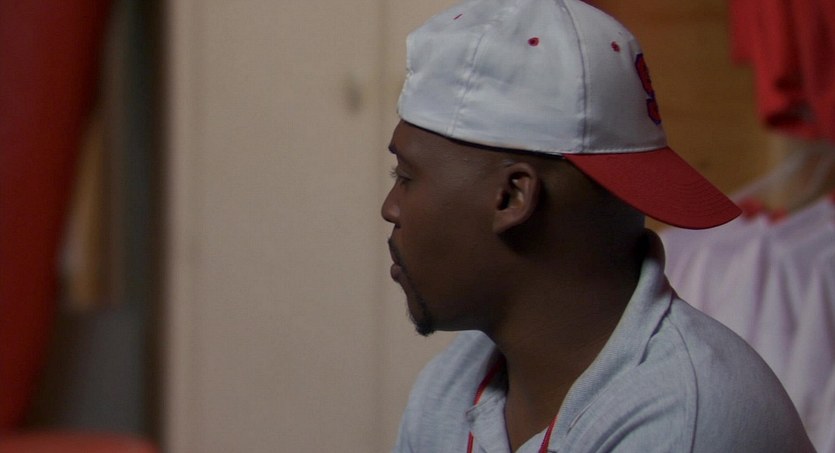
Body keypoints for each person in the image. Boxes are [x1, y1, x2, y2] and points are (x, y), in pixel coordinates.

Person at [381, 0, 816, 452]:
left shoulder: (685, 421)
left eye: (405, 177)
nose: (390, 209)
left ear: (512, 197)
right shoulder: (452, 385)